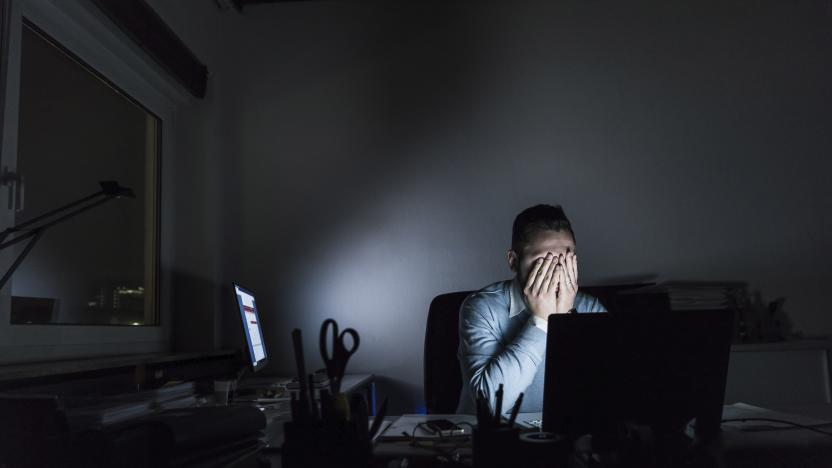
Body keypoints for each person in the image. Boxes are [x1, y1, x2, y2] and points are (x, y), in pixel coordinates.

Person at [456, 204, 606, 415]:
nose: (555, 271)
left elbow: (599, 394)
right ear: (513, 261)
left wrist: (566, 320)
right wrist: (543, 320)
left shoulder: (590, 309)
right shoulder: (482, 308)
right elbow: (488, 404)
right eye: (543, 261)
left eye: (565, 260)